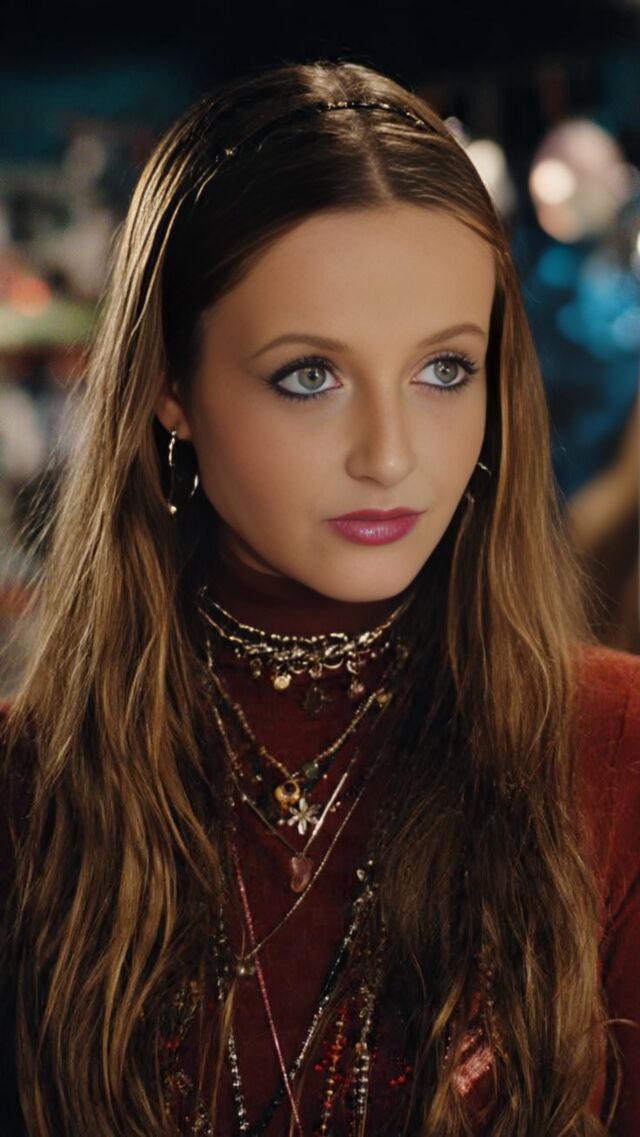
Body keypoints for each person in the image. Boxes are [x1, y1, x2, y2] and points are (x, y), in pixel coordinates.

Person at [0, 59, 638, 1137]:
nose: (390, 455)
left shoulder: (613, 750)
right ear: (169, 385)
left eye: (444, 371)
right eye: (309, 375)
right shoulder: (28, 792)